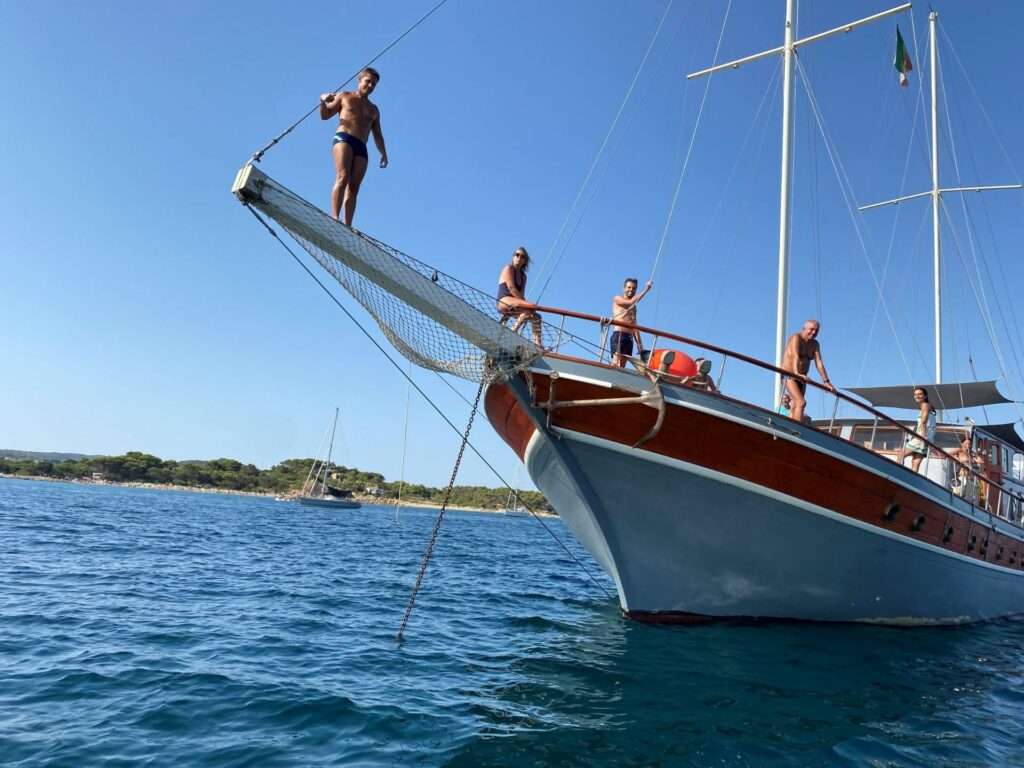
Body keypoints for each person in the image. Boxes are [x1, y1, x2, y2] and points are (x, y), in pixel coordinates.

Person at [320, 67, 389, 225]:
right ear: (360, 80)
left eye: (374, 84)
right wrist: (322, 101)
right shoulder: (344, 96)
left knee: (354, 188)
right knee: (342, 177)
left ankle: (347, 225)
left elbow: (377, 134)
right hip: (344, 138)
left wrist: (384, 153)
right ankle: (335, 217)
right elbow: (325, 115)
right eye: (368, 81)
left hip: (361, 146)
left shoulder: (374, 110)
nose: (370, 85)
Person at [780, 319, 835, 422]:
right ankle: (796, 430)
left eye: (816, 330)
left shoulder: (815, 344)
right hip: (789, 375)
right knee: (801, 402)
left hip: (802, 378)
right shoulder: (796, 338)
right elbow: (795, 356)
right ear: (804, 328)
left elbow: (819, 363)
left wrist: (826, 382)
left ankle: (790, 429)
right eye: (811, 329)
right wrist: (797, 373)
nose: (814, 332)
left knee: (795, 404)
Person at [497, 247, 543, 347]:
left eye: (522, 257)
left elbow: (521, 295)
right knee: (530, 306)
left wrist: (530, 309)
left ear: (525, 261)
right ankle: (512, 331)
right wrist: (528, 305)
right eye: (517, 255)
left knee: (537, 316)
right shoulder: (508, 268)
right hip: (503, 300)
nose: (519, 258)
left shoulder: (523, 276)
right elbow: (511, 288)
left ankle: (538, 344)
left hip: (515, 303)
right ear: (513, 257)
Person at [609, 277, 653, 367]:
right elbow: (629, 303)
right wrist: (646, 290)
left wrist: (640, 344)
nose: (631, 290)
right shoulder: (617, 298)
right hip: (619, 335)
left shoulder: (634, 307)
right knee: (615, 362)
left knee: (623, 365)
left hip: (629, 339)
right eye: (629, 287)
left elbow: (635, 325)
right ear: (624, 288)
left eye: (633, 288)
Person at [897, 387, 937, 474]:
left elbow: (923, 422)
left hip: (922, 438)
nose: (917, 396)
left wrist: (922, 436)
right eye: (915, 395)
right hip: (928, 439)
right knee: (915, 463)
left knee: (900, 454)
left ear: (925, 396)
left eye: (919, 394)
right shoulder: (929, 407)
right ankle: (911, 479)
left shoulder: (925, 405)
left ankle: (898, 473)